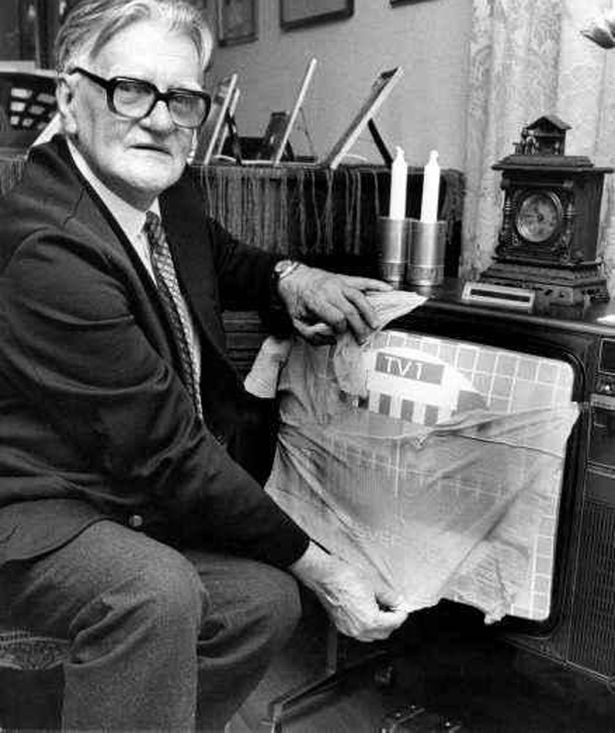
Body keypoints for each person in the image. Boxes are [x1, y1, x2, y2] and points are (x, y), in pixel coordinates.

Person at [0, 0, 410, 729]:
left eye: (183, 98)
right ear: (69, 96)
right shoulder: (48, 249)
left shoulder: (164, 189)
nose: (160, 119)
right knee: (153, 591)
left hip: (111, 494)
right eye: (130, 89)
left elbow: (218, 255)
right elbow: (166, 453)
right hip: (30, 509)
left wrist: (291, 276)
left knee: (261, 602)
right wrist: (325, 568)